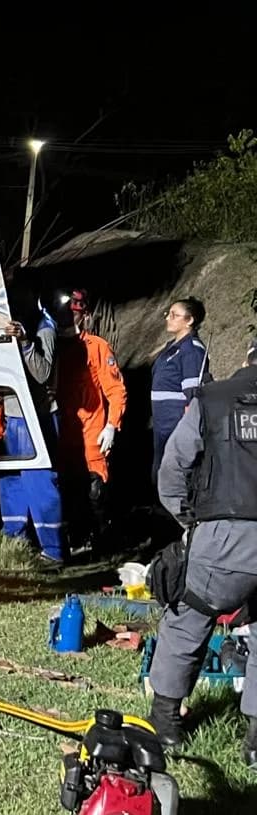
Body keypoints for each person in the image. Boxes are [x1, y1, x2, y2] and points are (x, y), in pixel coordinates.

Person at [147, 336, 257, 762]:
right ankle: (254, 747)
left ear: (246, 356)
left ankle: (167, 727)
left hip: (220, 540)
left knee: (186, 617)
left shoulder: (210, 400)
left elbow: (172, 471)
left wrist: (192, 524)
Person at [52, 288, 127, 549]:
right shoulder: (51, 347)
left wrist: (112, 425)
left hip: (91, 433)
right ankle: (73, 538)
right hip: (60, 432)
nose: (68, 319)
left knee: (95, 491)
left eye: (74, 313)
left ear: (84, 315)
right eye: (65, 314)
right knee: (65, 490)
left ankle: (101, 541)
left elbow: (115, 389)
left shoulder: (96, 347)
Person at [0, 299, 68, 563]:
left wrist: (26, 343)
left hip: (36, 417)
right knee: (11, 480)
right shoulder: (14, 326)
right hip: (14, 414)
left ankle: (53, 551)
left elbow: (43, 375)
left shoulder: (44, 329)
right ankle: (15, 540)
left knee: (39, 482)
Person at [151, 296, 210, 477]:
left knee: (174, 472)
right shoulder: (172, 347)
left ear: (189, 320)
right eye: (168, 314)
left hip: (176, 422)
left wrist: (188, 427)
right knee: (161, 470)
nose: (168, 317)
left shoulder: (191, 350)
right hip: (162, 422)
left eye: (175, 315)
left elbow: (193, 394)